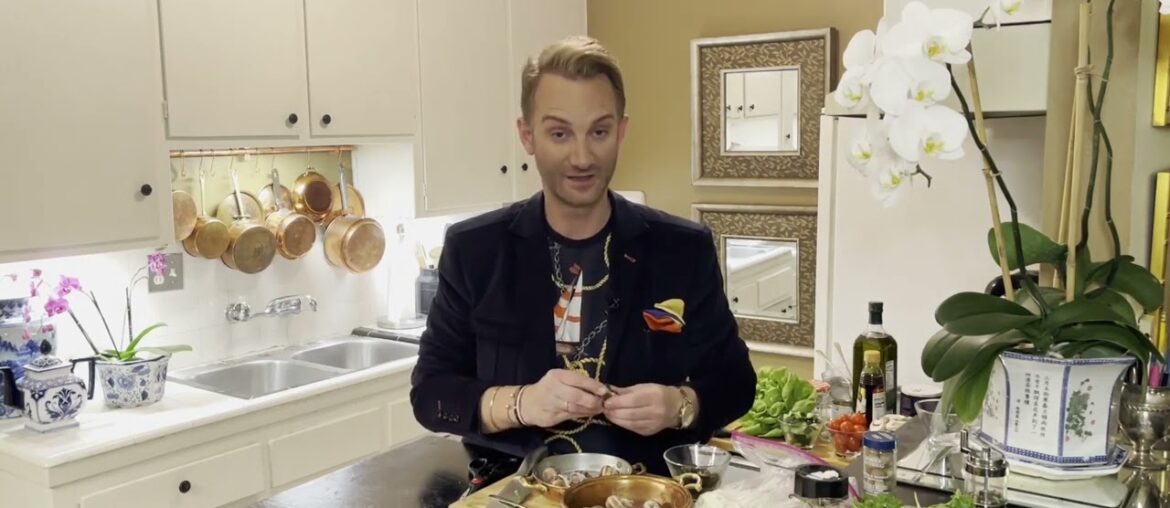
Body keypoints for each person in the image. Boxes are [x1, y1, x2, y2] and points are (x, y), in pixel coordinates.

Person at [409, 35, 756, 475]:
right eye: (559, 133)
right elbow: (430, 394)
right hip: (512, 495)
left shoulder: (683, 248)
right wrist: (520, 403)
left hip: (645, 492)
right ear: (527, 135)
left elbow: (736, 382)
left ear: (621, 131)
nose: (582, 156)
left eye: (599, 131)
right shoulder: (475, 250)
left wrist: (680, 406)